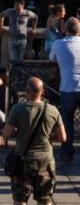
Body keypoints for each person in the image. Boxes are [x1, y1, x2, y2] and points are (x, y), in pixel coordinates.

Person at [0, 77, 66, 205]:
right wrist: (49, 137)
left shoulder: (17, 109)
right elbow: (63, 138)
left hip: (23, 158)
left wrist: (15, 132)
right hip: (45, 160)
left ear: (26, 91)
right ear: (43, 91)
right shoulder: (53, 110)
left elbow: (6, 133)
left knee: (20, 198)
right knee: (45, 199)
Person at [47, 16, 80, 163]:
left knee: (67, 121)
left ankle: (67, 153)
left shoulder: (58, 44)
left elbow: (52, 59)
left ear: (66, 29)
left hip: (68, 87)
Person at [0, 0, 39, 64]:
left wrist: (34, 28)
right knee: (13, 59)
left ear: (22, 6)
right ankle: (13, 73)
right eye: (15, 6)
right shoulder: (10, 11)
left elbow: (35, 17)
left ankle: (18, 73)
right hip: (12, 38)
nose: (16, 8)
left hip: (23, 39)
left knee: (20, 60)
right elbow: (1, 15)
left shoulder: (27, 13)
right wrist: (1, 27)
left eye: (18, 6)